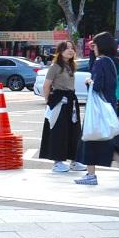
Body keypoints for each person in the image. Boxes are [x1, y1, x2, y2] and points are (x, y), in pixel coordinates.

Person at [76, 32, 119, 185]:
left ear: (100, 46)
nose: (93, 48)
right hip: (109, 104)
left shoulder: (100, 62)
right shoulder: (111, 61)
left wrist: (89, 81)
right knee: (106, 138)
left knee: (90, 138)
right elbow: (95, 68)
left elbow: (98, 85)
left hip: (98, 106)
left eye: (94, 45)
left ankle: (91, 175)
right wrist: (91, 54)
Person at [39, 41, 84, 172]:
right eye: (67, 48)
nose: (70, 50)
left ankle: (75, 161)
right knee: (59, 131)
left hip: (71, 100)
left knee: (74, 130)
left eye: (72, 48)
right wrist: (49, 101)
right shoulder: (55, 66)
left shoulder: (70, 65)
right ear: (60, 51)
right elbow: (46, 85)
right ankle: (57, 162)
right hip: (60, 101)